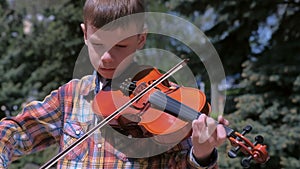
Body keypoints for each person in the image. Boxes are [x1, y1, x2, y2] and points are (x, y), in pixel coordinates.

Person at [0, 0, 229, 168]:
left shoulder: (165, 105)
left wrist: (201, 153)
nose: (107, 58)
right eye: (98, 45)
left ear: (141, 39)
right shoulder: (71, 96)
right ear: (85, 34)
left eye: (120, 46)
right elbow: (16, 130)